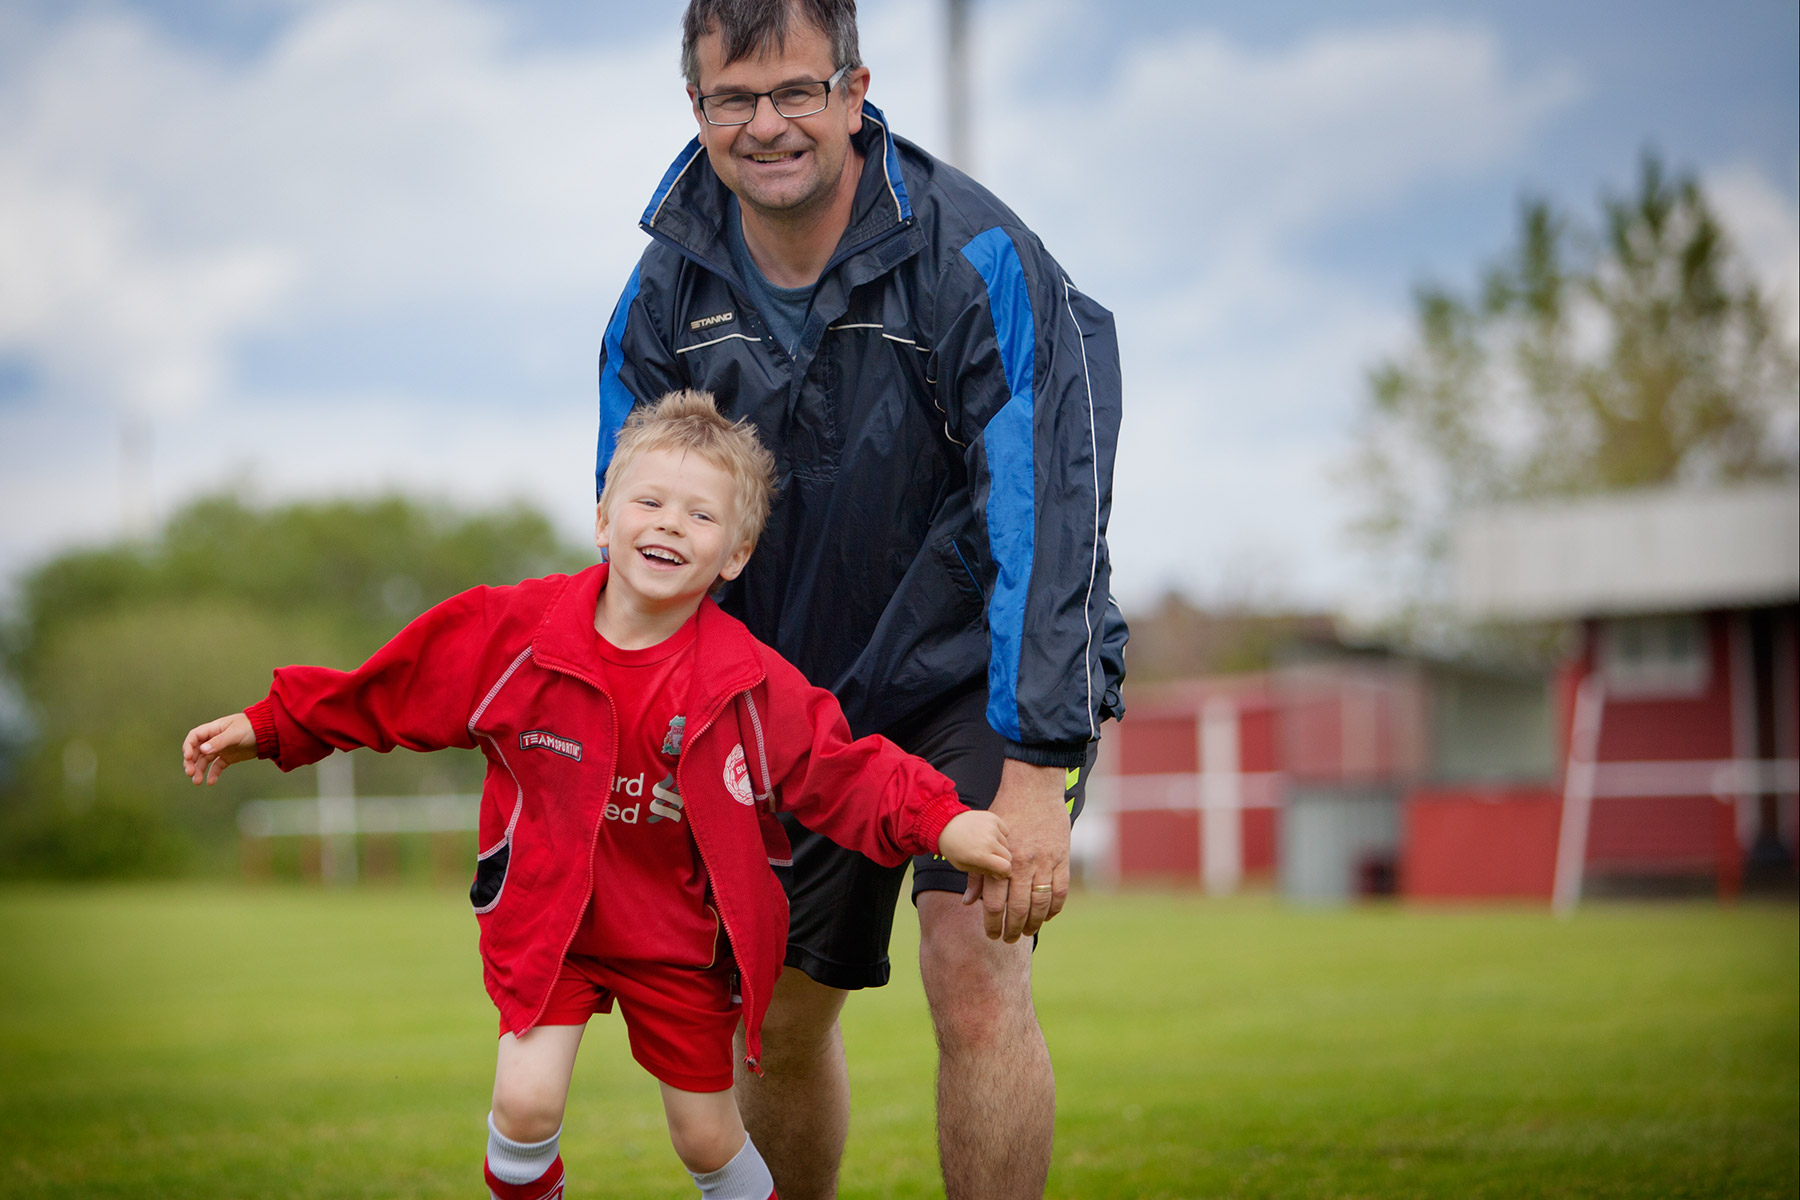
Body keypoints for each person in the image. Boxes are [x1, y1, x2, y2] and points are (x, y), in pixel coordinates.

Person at [180, 389, 1015, 1200]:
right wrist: (279, 724)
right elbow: (389, 688)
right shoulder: (515, 633)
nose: (667, 524)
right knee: (525, 1101)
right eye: (648, 501)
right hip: (553, 921)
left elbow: (845, 769)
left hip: (678, 936)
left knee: (708, 1136)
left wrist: (945, 821)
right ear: (602, 520)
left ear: (735, 555)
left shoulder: (747, 682)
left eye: (700, 515)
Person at [594, 3, 1126, 1197]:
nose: (767, 124)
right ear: (698, 109)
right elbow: (640, 544)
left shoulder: (975, 256)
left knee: (975, 975)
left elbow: (1050, 510)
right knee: (775, 1022)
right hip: (781, 702)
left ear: (854, 90)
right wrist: (644, 733)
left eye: (796, 91)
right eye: (735, 98)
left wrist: (1039, 765)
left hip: (968, 679)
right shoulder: (662, 299)